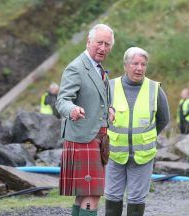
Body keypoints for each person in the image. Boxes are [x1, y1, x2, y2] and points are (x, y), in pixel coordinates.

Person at [56, 24, 115, 216]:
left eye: (107, 44)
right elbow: (62, 100)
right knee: (93, 193)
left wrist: (110, 111)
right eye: (99, 43)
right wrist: (72, 109)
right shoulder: (76, 67)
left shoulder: (99, 69)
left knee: (84, 194)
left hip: (97, 137)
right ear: (88, 42)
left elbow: (98, 101)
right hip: (84, 137)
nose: (103, 48)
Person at [104, 47, 170, 216]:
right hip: (114, 154)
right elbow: (100, 116)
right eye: (135, 63)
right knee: (112, 197)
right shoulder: (109, 87)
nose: (139, 68)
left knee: (137, 200)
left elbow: (164, 119)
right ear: (126, 65)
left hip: (143, 156)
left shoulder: (155, 89)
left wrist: (146, 137)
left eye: (143, 64)